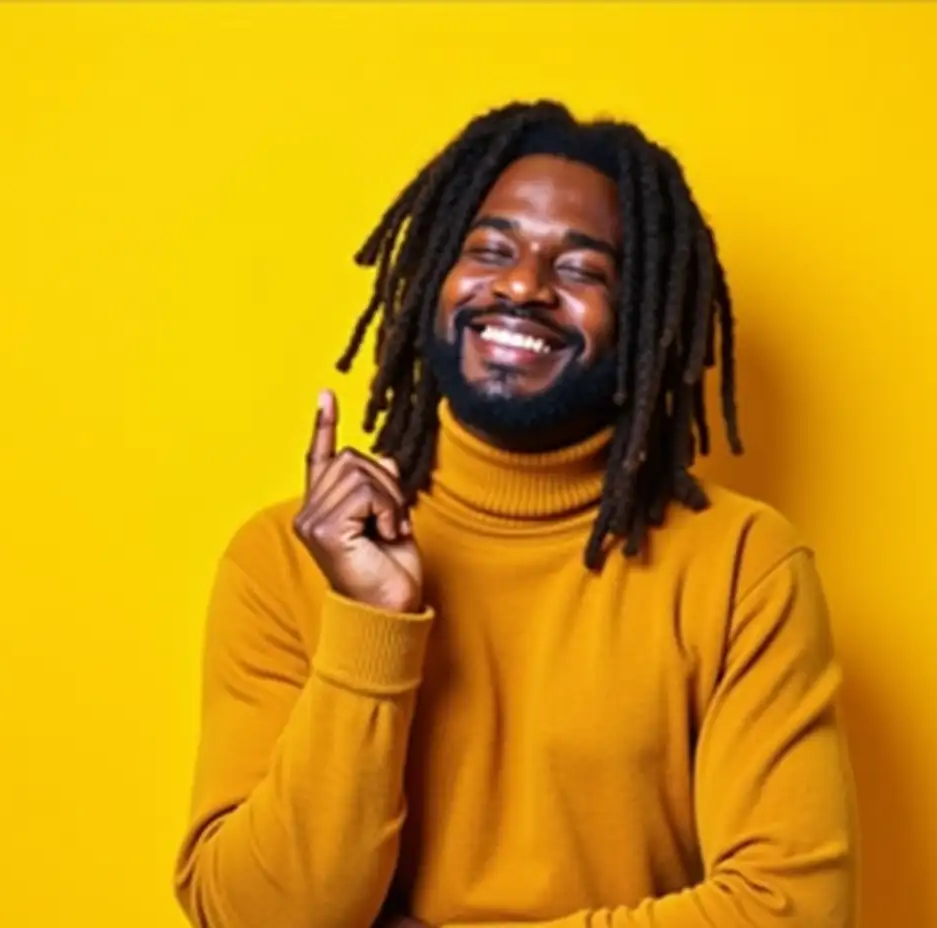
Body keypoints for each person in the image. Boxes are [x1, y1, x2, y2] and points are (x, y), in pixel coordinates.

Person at [173, 99, 856, 928]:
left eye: (580, 270)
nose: (524, 286)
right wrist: (369, 621)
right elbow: (258, 918)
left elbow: (793, 911)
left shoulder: (743, 565)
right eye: (490, 251)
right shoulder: (282, 559)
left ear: (645, 320)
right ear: (432, 281)